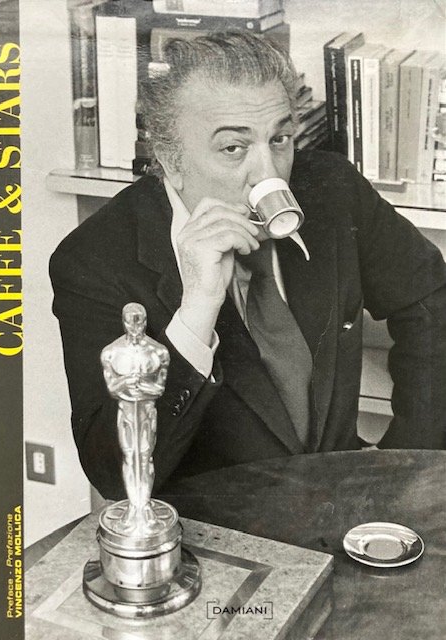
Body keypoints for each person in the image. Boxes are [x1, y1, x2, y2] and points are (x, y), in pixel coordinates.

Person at [50, 32, 446, 501]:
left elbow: (431, 302)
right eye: (233, 148)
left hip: (339, 501)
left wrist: (407, 464)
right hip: (211, 530)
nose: (269, 174)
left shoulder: (334, 188)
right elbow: (114, 475)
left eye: (279, 139)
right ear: (170, 159)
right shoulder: (93, 261)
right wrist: (197, 310)